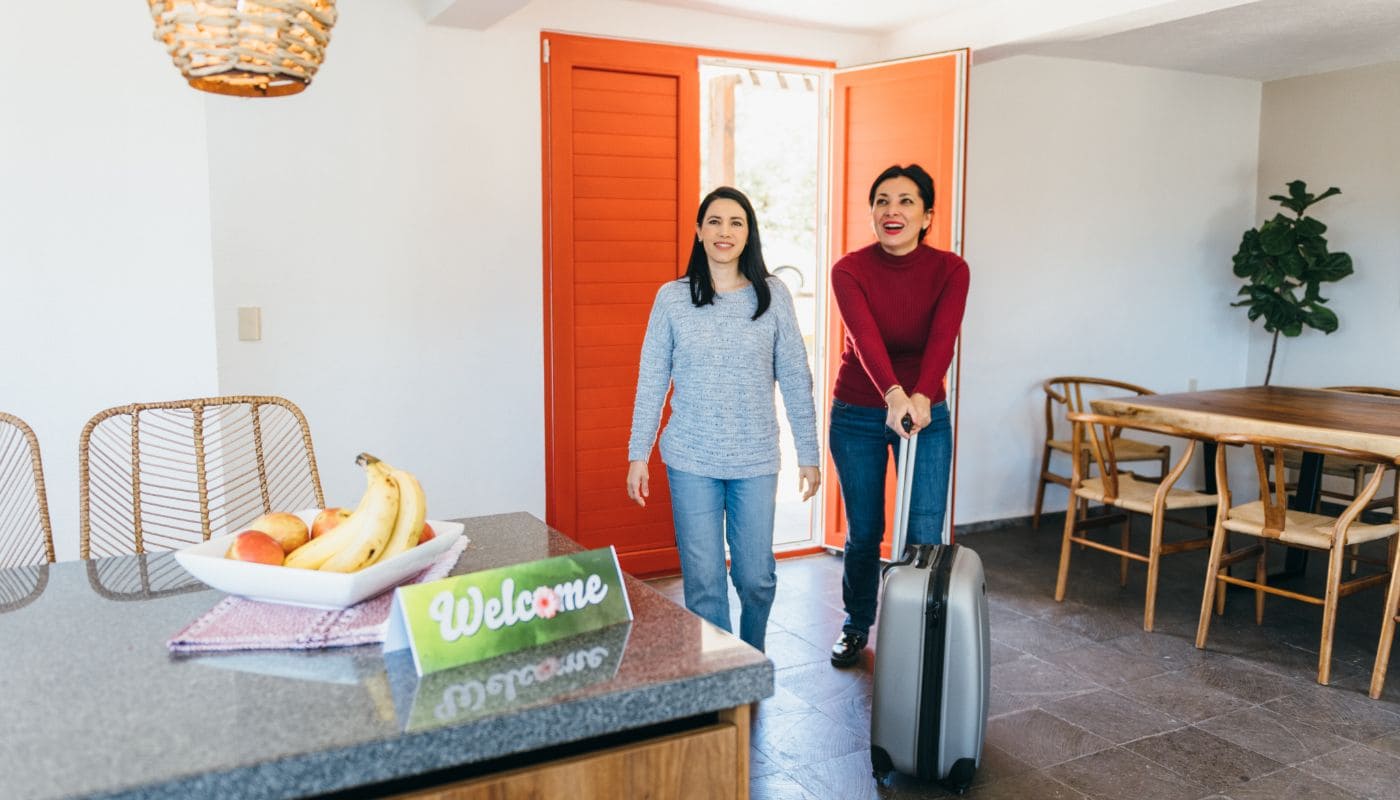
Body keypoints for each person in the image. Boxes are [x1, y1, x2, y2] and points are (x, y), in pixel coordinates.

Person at [626, 186, 821, 653]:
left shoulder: (772, 296)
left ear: (748, 233)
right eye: (714, 221)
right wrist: (638, 453)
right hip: (691, 460)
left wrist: (809, 454)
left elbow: (796, 378)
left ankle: (750, 656)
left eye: (736, 222)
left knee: (756, 578)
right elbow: (652, 380)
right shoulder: (672, 299)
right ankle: (720, 675)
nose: (724, 231)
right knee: (705, 584)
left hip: (755, 459)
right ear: (698, 231)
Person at [827, 164, 970, 668]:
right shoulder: (849, 270)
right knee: (865, 530)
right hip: (860, 413)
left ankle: (916, 632)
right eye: (883, 200)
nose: (893, 210)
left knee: (924, 532)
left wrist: (923, 396)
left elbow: (942, 340)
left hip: (927, 413)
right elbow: (864, 340)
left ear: (927, 215)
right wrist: (893, 394)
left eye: (907, 201)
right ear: (871, 213)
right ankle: (855, 625)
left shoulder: (951, 270)